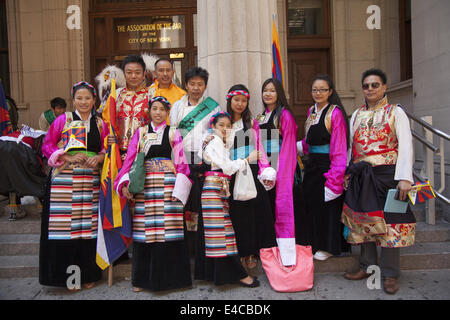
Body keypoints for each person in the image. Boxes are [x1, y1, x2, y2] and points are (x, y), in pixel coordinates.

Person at [342, 68, 415, 295]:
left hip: (390, 177)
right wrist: (347, 171)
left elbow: (406, 145)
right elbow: (351, 147)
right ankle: (367, 267)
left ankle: (391, 274)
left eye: (375, 85)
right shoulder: (355, 115)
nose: (370, 89)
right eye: (366, 85)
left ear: (384, 87)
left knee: (392, 224)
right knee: (364, 223)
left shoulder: (396, 112)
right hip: (362, 176)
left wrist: (405, 178)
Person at [114, 96, 193, 292]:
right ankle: (142, 280)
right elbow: (130, 160)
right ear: (149, 111)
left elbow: (182, 163)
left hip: (168, 187)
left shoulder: (174, 132)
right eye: (154, 109)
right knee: (145, 233)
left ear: (167, 113)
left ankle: (174, 280)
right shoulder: (140, 133)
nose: (158, 113)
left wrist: (180, 190)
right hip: (145, 187)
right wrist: (125, 183)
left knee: (170, 232)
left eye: (162, 110)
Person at [39, 81, 109, 290]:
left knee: (87, 230)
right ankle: (69, 279)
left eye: (88, 98)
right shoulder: (63, 120)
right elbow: (47, 145)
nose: (84, 102)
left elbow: (106, 148)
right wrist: (68, 157)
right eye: (79, 98)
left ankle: (87, 275)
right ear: (73, 100)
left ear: (94, 100)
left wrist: (99, 158)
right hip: (65, 181)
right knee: (65, 229)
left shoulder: (100, 123)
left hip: (90, 182)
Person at [194, 111, 260, 287]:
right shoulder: (214, 142)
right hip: (214, 188)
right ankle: (238, 275)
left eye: (228, 126)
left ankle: (223, 275)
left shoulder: (218, 142)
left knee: (219, 233)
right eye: (221, 125)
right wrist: (248, 159)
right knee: (224, 233)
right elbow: (228, 168)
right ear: (213, 127)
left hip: (217, 189)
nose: (225, 129)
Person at [297, 74, 350, 261]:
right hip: (312, 166)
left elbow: (339, 148)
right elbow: (309, 140)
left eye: (322, 89)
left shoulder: (334, 113)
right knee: (313, 206)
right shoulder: (312, 111)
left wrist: (335, 177)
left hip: (328, 166)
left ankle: (329, 247)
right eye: (315, 90)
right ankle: (315, 242)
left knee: (328, 207)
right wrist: (292, 146)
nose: (318, 93)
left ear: (330, 92)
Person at [225, 84, 277, 271]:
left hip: (252, 171)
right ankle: (241, 251)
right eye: (236, 100)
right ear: (229, 101)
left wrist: (265, 169)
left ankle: (254, 252)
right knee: (237, 214)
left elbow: (260, 147)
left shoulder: (252, 122)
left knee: (255, 212)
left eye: (243, 100)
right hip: (234, 171)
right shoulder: (223, 122)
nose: (240, 104)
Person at [256, 78, 306, 266]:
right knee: (267, 209)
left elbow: (288, 146)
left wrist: (280, 171)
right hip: (265, 167)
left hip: (282, 166)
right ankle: (270, 248)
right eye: (265, 90)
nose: (268, 94)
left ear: (279, 94)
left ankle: (287, 252)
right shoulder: (260, 116)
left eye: (272, 90)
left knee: (282, 208)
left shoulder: (284, 115)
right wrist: (263, 168)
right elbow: (257, 142)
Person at [170, 67, 221, 232]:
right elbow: (173, 133)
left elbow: (218, 133)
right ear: (186, 85)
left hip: (203, 159)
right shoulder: (177, 106)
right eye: (192, 84)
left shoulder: (212, 107)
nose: (196, 88)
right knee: (183, 199)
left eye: (200, 84)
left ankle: (201, 241)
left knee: (202, 200)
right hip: (182, 159)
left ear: (205, 86)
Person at [0, 125, 46, 220]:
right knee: (34, 178)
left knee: (11, 178)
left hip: (2, 145)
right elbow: (39, 159)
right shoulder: (43, 137)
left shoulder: (28, 132)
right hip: (19, 148)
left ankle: (15, 211)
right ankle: (41, 209)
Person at [110, 54, 151, 158]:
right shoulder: (116, 94)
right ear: (124, 73)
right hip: (119, 154)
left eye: (137, 72)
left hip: (144, 153)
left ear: (144, 73)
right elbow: (107, 122)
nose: (133, 76)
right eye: (129, 72)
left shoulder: (152, 94)